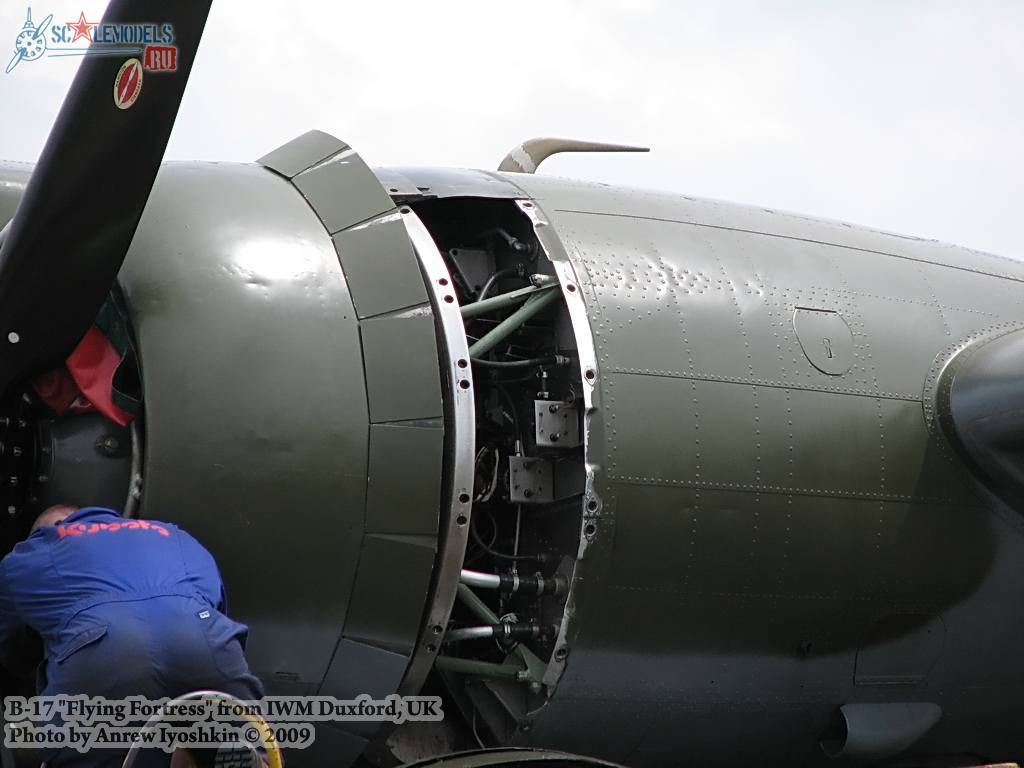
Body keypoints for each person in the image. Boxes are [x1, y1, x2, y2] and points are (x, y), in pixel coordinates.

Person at [0, 505, 265, 767]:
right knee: (231, 743)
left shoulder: (35, 550)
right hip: (207, 642)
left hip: (103, 655)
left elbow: (12, 652)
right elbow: (216, 605)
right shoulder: (176, 536)